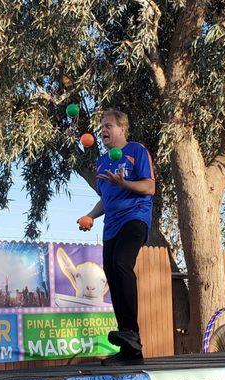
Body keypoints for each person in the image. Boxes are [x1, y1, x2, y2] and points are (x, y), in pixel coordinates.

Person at [77, 109, 155, 366]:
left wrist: (125, 184)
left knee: (122, 263)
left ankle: (131, 334)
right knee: (112, 274)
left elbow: (149, 187)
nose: (103, 131)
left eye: (108, 126)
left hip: (135, 219)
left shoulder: (136, 151)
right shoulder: (102, 162)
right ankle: (130, 349)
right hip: (111, 226)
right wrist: (90, 215)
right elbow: (105, 199)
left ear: (122, 128)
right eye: (102, 128)